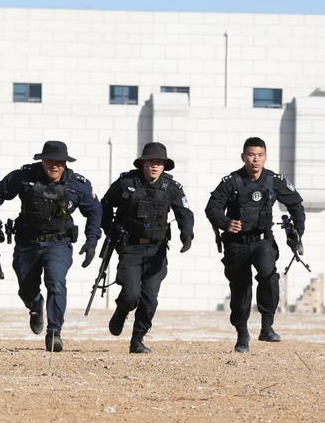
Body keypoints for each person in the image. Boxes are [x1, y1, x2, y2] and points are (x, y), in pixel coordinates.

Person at [0, 141, 102, 352]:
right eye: (49, 161)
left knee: (56, 282)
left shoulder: (78, 185)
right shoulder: (24, 176)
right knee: (27, 289)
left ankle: (54, 332)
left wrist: (91, 241)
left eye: (59, 162)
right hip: (27, 241)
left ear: (65, 163)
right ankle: (35, 306)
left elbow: (95, 211)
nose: (54, 166)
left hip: (58, 242)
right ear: (42, 161)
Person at [205, 137, 305, 353]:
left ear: (265, 157)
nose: (255, 159)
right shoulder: (231, 181)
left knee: (269, 275)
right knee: (240, 290)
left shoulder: (274, 180)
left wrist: (297, 234)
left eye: (260, 155)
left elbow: (296, 204)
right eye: (251, 155)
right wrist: (225, 223)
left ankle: (267, 326)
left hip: (262, 241)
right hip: (236, 245)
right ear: (243, 157)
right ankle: (242, 333)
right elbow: (212, 208)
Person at [101, 142, 194, 354]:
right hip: (130, 248)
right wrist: (110, 230)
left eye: (159, 162)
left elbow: (185, 214)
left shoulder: (172, 188)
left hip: (156, 250)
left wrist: (187, 235)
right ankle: (122, 310)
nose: (154, 166)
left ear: (164, 166)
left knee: (150, 299)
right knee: (131, 295)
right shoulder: (126, 182)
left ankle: (137, 340)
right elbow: (105, 204)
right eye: (151, 161)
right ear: (143, 164)